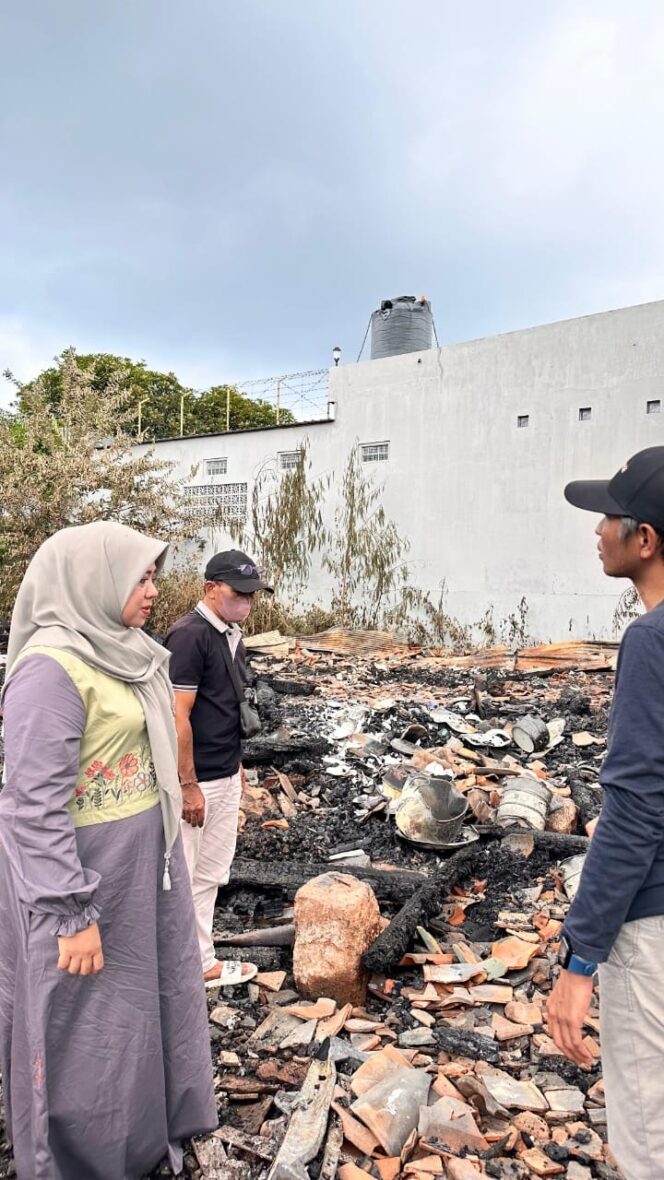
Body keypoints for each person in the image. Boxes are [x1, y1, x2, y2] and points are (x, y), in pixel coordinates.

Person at [0, 522, 217, 1180]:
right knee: (87, 1021)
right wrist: (70, 911)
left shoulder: (126, 651)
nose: (152, 591)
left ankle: (142, 1135)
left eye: (153, 576)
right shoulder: (50, 668)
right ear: (92, 579)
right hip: (83, 872)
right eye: (139, 577)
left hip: (142, 868)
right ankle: (80, 1158)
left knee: (142, 1003)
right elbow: (31, 805)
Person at [547, 445, 664, 1179]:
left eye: (608, 518)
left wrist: (580, 959)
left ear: (644, 538)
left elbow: (637, 807)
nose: (596, 530)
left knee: (651, 1137)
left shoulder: (651, 641)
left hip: (652, 927)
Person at [164, 549, 272, 985]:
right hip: (199, 778)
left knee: (212, 872)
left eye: (251, 595)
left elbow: (225, 707)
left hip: (224, 770)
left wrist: (236, 764)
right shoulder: (189, 636)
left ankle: (200, 958)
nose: (246, 602)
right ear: (211, 589)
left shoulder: (231, 635)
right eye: (238, 593)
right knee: (185, 873)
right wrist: (187, 783)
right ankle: (178, 964)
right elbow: (178, 715)